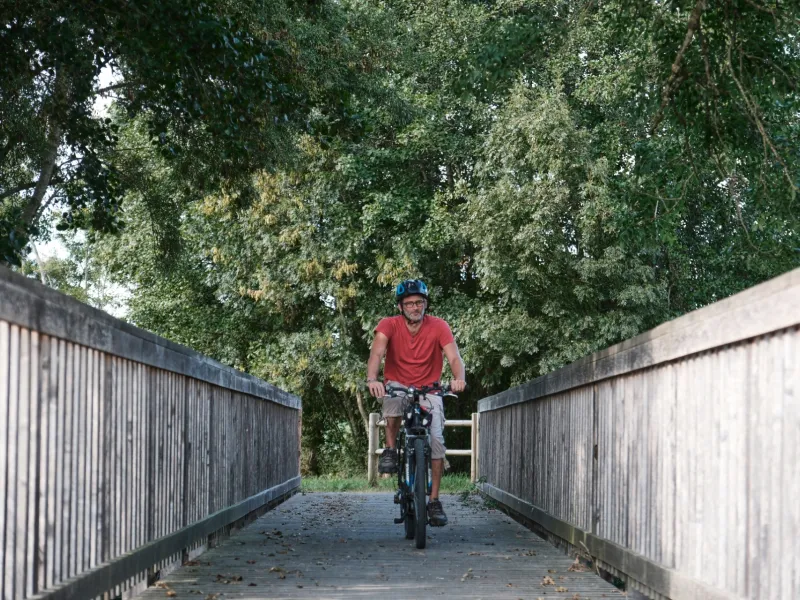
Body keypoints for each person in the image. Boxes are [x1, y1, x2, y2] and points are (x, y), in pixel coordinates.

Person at [366, 279, 466, 527]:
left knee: (437, 441)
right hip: (398, 384)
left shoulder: (439, 326)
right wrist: (372, 380)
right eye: (409, 303)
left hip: (430, 388)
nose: (414, 307)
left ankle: (434, 501)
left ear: (425, 304)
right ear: (400, 306)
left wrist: (459, 379)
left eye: (419, 302)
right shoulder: (388, 325)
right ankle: (390, 450)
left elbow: (454, 357)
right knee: (392, 402)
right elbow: (376, 353)